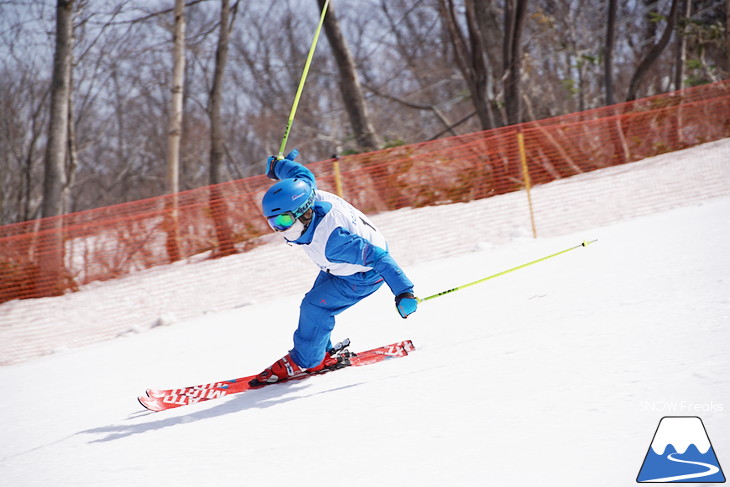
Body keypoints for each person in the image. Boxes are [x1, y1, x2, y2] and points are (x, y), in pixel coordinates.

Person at [249, 149, 418, 388]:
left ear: (302, 212)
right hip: (340, 267)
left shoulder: (334, 241)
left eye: (284, 221)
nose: (279, 229)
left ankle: (307, 360)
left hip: (362, 275)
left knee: (315, 307)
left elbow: (380, 258)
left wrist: (404, 292)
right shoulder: (306, 192)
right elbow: (301, 173)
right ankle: (319, 352)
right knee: (315, 305)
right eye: (273, 223)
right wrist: (279, 167)